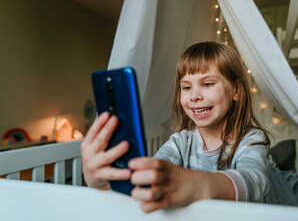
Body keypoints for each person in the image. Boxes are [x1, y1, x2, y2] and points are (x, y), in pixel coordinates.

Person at [81, 41, 270, 213]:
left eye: (207, 84)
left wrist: (199, 185)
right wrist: (101, 181)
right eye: (186, 87)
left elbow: (255, 180)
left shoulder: (252, 139)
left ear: (236, 90)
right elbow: (151, 179)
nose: (195, 96)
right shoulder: (180, 142)